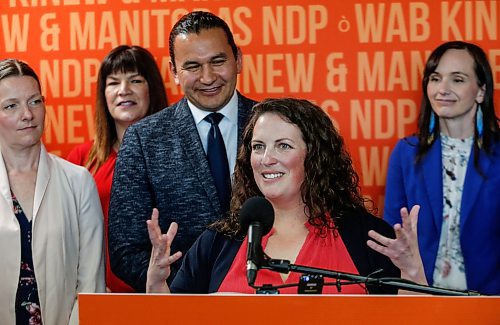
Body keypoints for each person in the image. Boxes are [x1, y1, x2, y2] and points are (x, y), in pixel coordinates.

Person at [146, 98, 400, 294]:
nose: (266, 159)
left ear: (315, 157)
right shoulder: (217, 243)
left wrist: (413, 273)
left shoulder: (369, 239)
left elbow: (408, 316)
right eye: (258, 147)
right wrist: (156, 285)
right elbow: (173, 317)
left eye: (283, 146)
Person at [108, 11, 256, 292]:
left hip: (268, 302)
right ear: (174, 71)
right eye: (192, 66)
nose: (208, 77)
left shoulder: (274, 123)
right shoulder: (143, 139)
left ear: (237, 60)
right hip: (182, 306)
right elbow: (125, 250)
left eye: (218, 61)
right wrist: (187, 291)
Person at [369, 41, 500, 295]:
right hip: (423, 299)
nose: (442, 89)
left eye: (458, 80)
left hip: (490, 301)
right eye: (435, 78)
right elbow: (395, 235)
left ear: (481, 91)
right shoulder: (405, 153)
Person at [0, 59, 105, 324]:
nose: (27, 114)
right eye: (11, 106)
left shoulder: (78, 181)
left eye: (35, 101)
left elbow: (91, 283)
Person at [66, 45, 167, 293]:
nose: (124, 90)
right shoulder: (81, 160)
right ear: (103, 93)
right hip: (97, 293)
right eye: (113, 83)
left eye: (135, 80)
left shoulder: (172, 157)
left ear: (151, 89)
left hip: (163, 291)